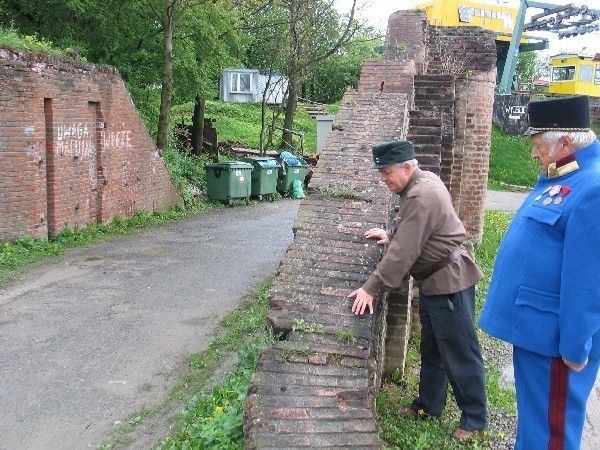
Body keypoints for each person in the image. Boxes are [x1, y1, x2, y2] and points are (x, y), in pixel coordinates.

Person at [479, 95, 600, 450]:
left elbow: (588, 280)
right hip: (537, 333)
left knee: (551, 436)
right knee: (536, 428)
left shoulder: (593, 189)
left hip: (557, 343)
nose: (533, 153)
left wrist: (575, 348)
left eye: (537, 145)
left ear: (565, 142)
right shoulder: (564, 175)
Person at [348, 140, 488, 440]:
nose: (382, 179)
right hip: (436, 282)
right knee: (433, 349)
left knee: (460, 352)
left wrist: (370, 288)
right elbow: (413, 227)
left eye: (386, 172)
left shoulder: (422, 194)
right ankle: (429, 405)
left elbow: (402, 254)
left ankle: (475, 419)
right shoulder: (420, 184)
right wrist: (390, 233)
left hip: (449, 284)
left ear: (407, 167)